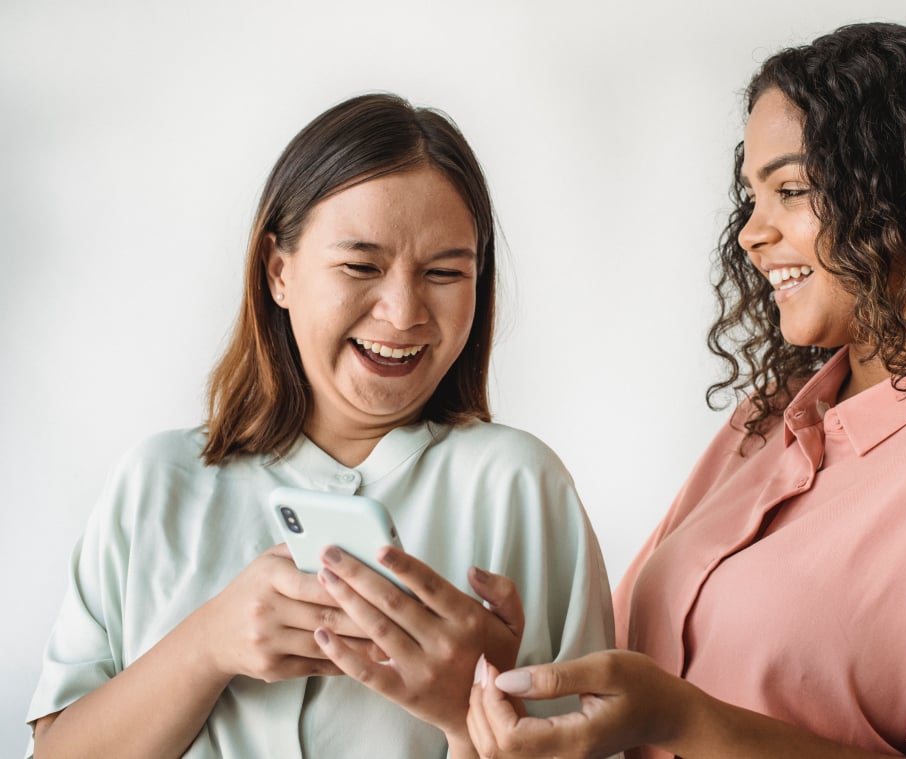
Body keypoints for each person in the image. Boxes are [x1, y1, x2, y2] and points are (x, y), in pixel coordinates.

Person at [467, 22, 906, 759]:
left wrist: (685, 722)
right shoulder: (766, 420)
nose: (751, 234)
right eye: (750, 197)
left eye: (789, 189)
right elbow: (628, 673)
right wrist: (510, 667)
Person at [26, 93, 614, 759]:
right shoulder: (155, 482)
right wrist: (208, 644)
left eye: (445, 272)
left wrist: (465, 716)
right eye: (360, 265)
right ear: (278, 270)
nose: (402, 313)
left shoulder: (519, 486)